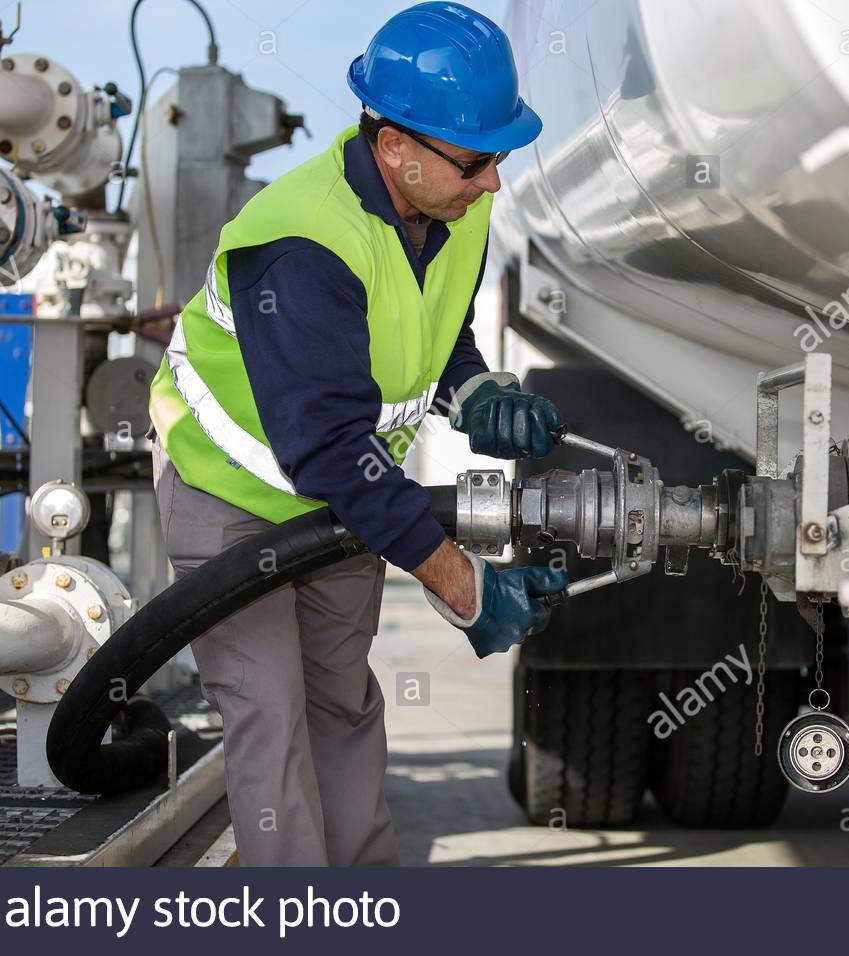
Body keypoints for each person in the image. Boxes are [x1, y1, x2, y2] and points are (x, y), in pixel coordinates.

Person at [146, 1, 565, 866]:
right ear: (395, 148)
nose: (493, 181)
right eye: (479, 160)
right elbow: (329, 447)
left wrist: (475, 389)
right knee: (272, 713)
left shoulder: (454, 201)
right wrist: (463, 586)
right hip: (229, 490)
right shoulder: (302, 245)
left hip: (345, 500)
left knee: (343, 702)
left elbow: (431, 324)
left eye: (500, 156)